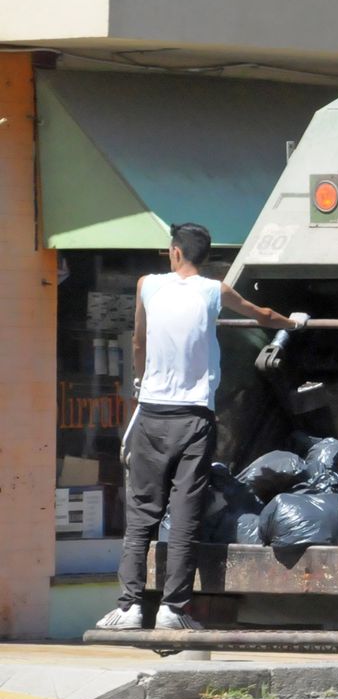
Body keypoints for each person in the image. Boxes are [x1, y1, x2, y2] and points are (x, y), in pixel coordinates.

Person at [95, 223, 307, 631]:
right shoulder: (214, 291)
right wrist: (293, 324)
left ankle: (130, 607)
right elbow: (262, 315)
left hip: (153, 414)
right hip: (194, 418)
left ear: (175, 252)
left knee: (141, 514)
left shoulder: (147, 286)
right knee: (186, 512)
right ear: (204, 256)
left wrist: (142, 382)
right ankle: (173, 610)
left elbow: (138, 342)